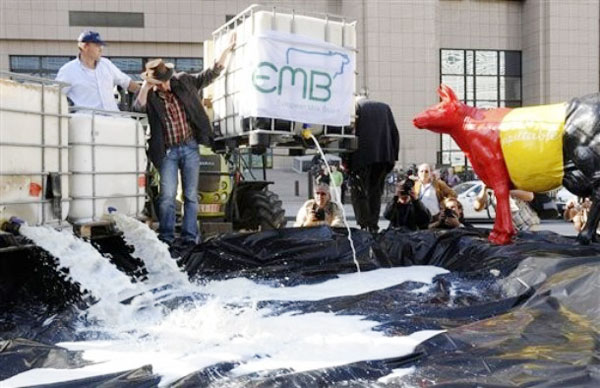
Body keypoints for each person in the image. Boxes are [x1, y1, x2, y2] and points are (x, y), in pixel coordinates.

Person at [133, 34, 235, 247]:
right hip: (167, 152)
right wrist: (145, 85)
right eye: (157, 83)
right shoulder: (151, 96)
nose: (162, 86)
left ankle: (189, 237)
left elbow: (210, 75)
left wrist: (225, 51)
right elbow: (137, 108)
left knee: (190, 195)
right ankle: (167, 237)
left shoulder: (184, 82)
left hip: (189, 147)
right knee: (167, 196)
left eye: (162, 81)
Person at [347, 96, 400, 233]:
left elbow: (349, 134)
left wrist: (345, 160)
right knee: (375, 192)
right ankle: (373, 225)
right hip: (383, 157)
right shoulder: (385, 107)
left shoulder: (356, 107)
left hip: (361, 157)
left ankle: (364, 224)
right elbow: (395, 133)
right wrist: (393, 157)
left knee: (358, 191)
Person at [56, 30, 139, 111]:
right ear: (84, 47)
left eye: (101, 46)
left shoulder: (106, 64)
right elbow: (56, 95)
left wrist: (147, 94)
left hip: (113, 118)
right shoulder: (68, 71)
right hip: (87, 120)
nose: (101, 49)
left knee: (136, 124)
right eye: (97, 45)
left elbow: (127, 83)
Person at [475, 186, 540, 232]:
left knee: (529, 250)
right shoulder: (490, 188)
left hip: (528, 225)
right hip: (508, 230)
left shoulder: (513, 179)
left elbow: (530, 196)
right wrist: (484, 190)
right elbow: (477, 208)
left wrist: (504, 189)